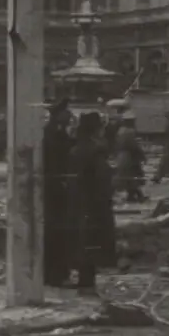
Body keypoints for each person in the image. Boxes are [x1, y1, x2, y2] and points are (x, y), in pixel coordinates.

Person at [67, 112, 117, 293]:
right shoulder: (96, 150)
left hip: (78, 200)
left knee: (81, 240)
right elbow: (102, 177)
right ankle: (88, 282)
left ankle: (83, 278)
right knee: (93, 241)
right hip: (95, 202)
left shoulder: (75, 149)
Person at [43, 102, 73, 287]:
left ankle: (57, 273)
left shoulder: (55, 133)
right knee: (56, 233)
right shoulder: (54, 135)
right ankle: (55, 274)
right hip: (55, 189)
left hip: (55, 188)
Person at [112, 114, 147, 203]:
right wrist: (142, 155)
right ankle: (138, 195)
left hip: (121, 155)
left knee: (127, 177)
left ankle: (133, 195)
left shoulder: (120, 131)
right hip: (129, 157)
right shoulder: (129, 132)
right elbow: (133, 146)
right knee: (131, 176)